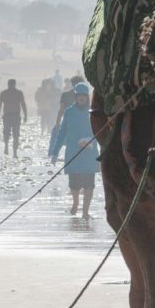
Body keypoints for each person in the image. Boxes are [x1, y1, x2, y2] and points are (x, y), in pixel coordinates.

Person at [49, 82, 99, 220]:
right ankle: (76, 202)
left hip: (90, 152)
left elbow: (101, 131)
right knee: (74, 183)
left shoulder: (93, 112)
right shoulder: (69, 112)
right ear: (76, 96)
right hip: (73, 152)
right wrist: (54, 152)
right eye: (79, 96)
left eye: (84, 96)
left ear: (87, 97)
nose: (81, 98)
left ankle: (85, 211)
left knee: (89, 184)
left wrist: (91, 140)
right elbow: (61, 133)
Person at [0, 78, 27, 157]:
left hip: (9, 116)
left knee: (10, 134)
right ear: (14, 84)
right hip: (13, 116)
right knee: (15, 135)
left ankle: (10, 149)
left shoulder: (4, 93)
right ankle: (13, 152)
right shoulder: (18, 93)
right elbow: (23, 104)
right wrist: (25, 115)